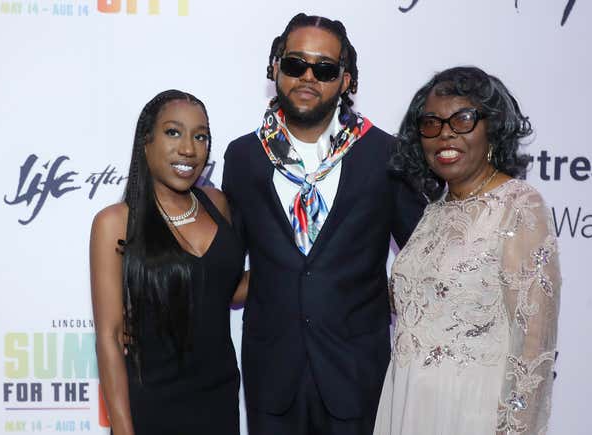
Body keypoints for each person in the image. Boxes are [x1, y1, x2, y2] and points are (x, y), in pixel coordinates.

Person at [221, 13, 425, 435]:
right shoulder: (242, 157)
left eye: (325, 69)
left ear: (346, 80)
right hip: (272, 375)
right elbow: (221, 262)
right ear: (275, 67)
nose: (308, 77)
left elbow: (428, 254)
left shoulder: (385, 155)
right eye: (295, 64)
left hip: (356, 373)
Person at [373, 66, 561, 435]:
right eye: (431, 123)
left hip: (469, 411)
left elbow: (534, 348)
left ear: (491, 127)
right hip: (407, 404)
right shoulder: (435, 210)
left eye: (462, 120)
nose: (445, 133)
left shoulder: (518, 206)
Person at [90, 89, 245, 434]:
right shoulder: (114, 222)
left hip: (219, 400)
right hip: (153, 405)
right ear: (146, 142)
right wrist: (123, 429)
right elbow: (111, 336)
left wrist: (295, 268)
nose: (189, 148)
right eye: (173, 132)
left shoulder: (216, 204)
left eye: (200, 136)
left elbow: (225, 290)